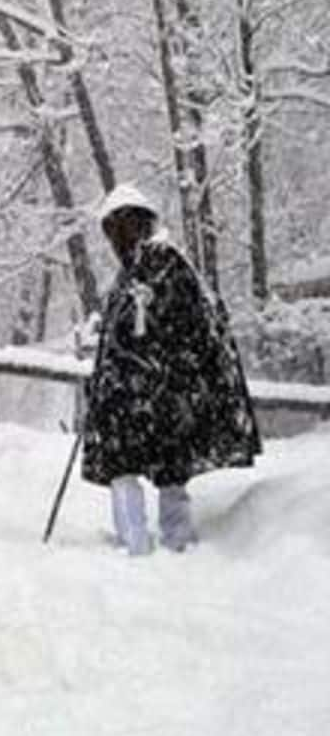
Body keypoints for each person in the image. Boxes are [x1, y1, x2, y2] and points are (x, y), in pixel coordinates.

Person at [81, 185, 260, 555]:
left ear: (141, 224)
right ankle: (136, 543)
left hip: (159, 392)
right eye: (112, 230)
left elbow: (189, 326)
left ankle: (175, 542)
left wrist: (161, 370)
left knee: (168, 470)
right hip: (127, 397)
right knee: (124, 467)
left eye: (124, 227)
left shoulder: (167, 264)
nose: (118, 239)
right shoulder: (128, 275)